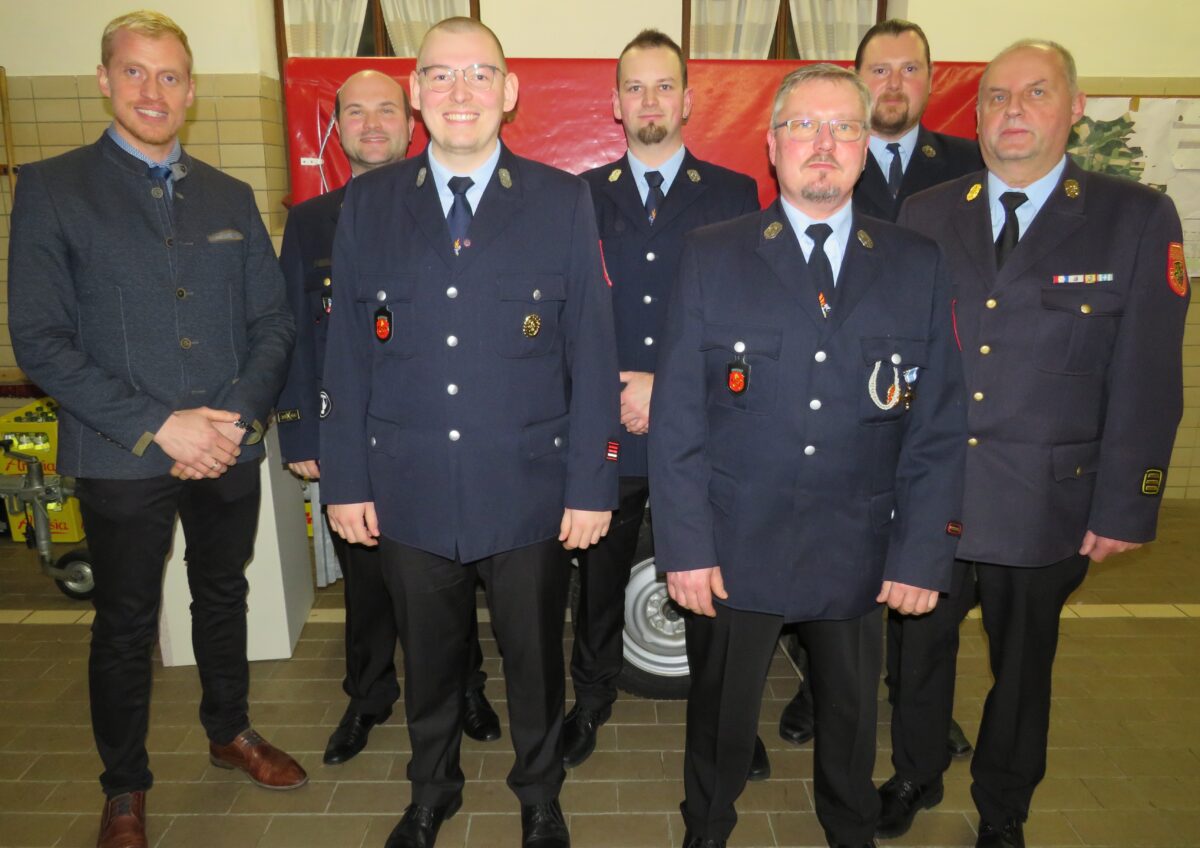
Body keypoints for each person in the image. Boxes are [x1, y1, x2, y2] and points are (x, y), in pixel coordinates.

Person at [319, 17, 620, 848]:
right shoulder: (371, 204)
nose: (461, 92)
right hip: (409, 486)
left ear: (508, 92)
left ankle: (539, 794)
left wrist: (591, 485)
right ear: (416, 93)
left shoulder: (561, 200)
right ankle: (432, 790)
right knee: (429, 660)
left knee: (534, 660)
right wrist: (346, 479)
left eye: (480, 74)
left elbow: (592, 353)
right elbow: (347, 353)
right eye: (441, 75)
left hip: (528, 488)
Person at [649, 63, 966, 848]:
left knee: (852, 723)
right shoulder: (712, 254)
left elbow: (936, 427)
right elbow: (679, 417)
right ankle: (706, 828)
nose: (823, 144)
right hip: (735, 543)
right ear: (773, 144)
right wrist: (684, 547)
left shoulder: (916, 262)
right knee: (720, 718)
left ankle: (848, 830)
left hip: (859, 546)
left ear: (866, 145)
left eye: (843, 127)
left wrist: (921, 554)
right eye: (803, 126)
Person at [7, 11, 303, 848]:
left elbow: (273, 322)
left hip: (228, 444)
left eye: (169, 76)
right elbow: (41, 340)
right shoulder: (54, 189)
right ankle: (124, 788)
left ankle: (229, 730)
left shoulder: (230, 195)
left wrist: (233, 416)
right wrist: (159, 425)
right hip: (121, 452)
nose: (152, 91)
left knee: (224, 591)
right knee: (126, 623)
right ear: (104, 79)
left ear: (192, 90)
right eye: (134, 72)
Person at [897, 40, 1188, 848]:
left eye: (1035, 93)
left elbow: (1148, 376)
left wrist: (1127, 504)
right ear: (976, 114)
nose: (1013, 111)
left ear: (1075, 107)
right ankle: (916, 771)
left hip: (1045, 500)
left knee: (1023, 670)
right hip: (935, 494)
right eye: (996, 97)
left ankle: (1003, 808)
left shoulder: (1134, 218)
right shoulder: (927, 213)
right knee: (916, 655)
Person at [275, 69, 499, 767]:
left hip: (432, 436)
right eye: (354, 112)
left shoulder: (456, 210)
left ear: (412, 121)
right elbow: (295, 333)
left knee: (453, 570)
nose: (371, 124)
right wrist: (303, 431)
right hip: (353, 438)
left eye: (385, 111)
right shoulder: (310, 221)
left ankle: (466, 686)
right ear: (336, 128)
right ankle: (368, 695)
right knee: (367, 585)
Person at [778, 19, 983, 764]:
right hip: (837, 416)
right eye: (879, 69)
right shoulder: (813, 168)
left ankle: (916, 714)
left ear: (932, 78)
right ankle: (820, 690)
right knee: (837, 591)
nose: (894, 83)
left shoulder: (967, 168)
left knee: (918, 600)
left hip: (914, 404)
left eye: (910, 69)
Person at [567, 28, 763, 776]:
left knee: (714, 579)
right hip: (609, 423)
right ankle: (591, 698)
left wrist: (667, 386)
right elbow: (570, 314)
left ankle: (728, 721)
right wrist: (617, 387)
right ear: (616, 105)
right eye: (634, 87)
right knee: (598, 580)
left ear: (687, 100)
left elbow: (747, 318)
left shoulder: (733, 195)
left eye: (663, 86)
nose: (649, 100)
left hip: (701, 430)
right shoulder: (581, 197)